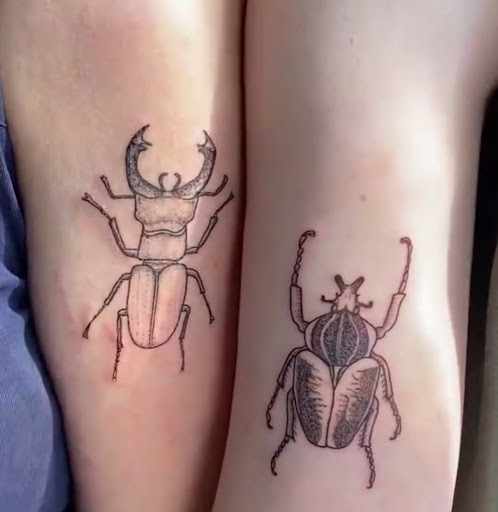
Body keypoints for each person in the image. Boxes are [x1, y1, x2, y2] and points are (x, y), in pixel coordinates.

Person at [0, 1, 497, 511]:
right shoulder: (360, 358)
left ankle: (366, 113)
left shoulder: (310, 348)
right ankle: (370, 110)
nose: (345, 302)